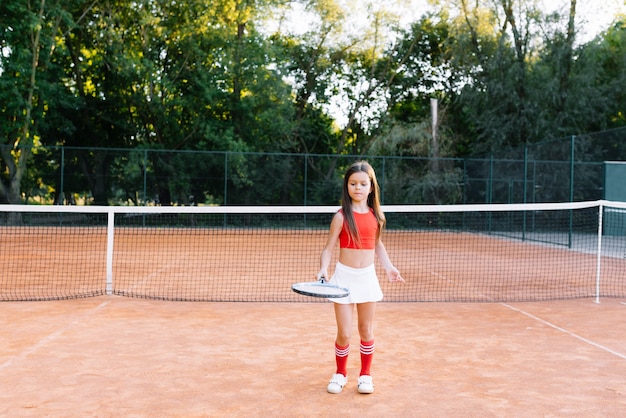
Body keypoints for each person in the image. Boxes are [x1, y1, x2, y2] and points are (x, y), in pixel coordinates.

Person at [317, 160, 404, 395]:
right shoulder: (340, 216)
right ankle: (340, 374)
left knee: (366, 330)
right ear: (347, 186)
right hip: (343, 279)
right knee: (344, 333)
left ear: (371, 187)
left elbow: (377, 244)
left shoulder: (376, 216)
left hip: (367, 278)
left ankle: (365, 376)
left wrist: (388, 267)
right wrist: (324, 269)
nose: (358, 187)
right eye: (353, 183)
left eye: (363, 183)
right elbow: (328, 248)